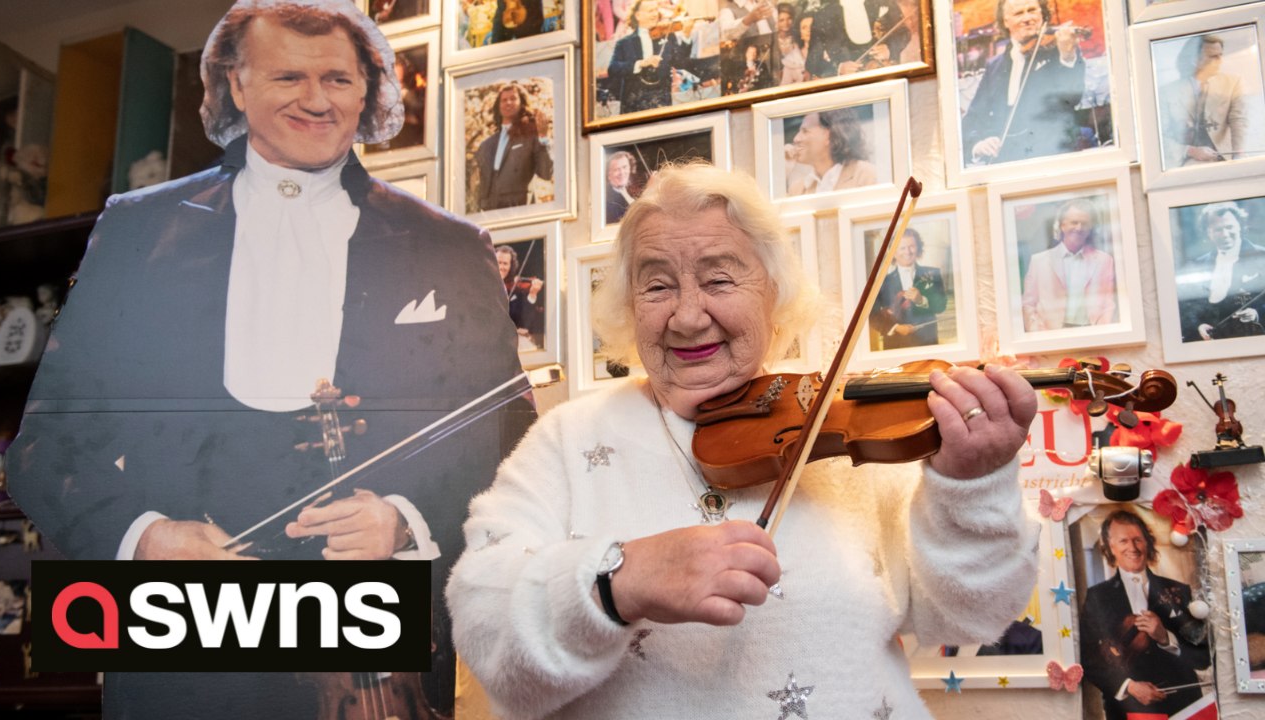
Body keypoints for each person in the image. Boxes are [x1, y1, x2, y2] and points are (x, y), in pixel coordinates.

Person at [8, 1, 533, 717]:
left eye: (338, 80)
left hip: (370, 645)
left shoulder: (447, 244)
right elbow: (47, 446)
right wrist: (143, 538)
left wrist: (407, 519)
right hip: (180, 633)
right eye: (288, 76)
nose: (316, 101)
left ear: (369, 88)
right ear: (234, 82)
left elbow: (507, 442)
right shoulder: (138, 230)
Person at [446, 164, 1041, 718]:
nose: (686, 316)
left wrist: (973, 484)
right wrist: (615, 582)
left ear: (774, 294)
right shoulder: (568, 438)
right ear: (629, 305)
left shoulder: (845, 424)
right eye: (657, 287)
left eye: (719, 279)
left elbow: (971, 616)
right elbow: (487, 632)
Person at [1080, 510, 1210, 720]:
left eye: (1137, 539)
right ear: (1110, 547)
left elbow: (1202, 658)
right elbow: (1087, 656)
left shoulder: (1180, 590)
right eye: (1123, 541)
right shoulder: (1097, 596)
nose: (1132, 548)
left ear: (1148, 543)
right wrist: (1129, 686)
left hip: (1185, 706)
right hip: (1128, 710)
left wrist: (1166, 638)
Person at [961, 0, 1086, 166]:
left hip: (1054, 152)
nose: (1027, 18)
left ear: (1042, 14)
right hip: (1007, 158)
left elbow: (1073, 97)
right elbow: (974, 117)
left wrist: (1067, 57)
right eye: (1019, 13)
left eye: (1032, 10)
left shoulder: (1059, 50)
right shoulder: (995, 66)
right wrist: (978, 145)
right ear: (1006, 21)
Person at [1020, 198, 1117, 332]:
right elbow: (1028, 304)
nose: (1079, 228)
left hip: (1093, 333)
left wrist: (1101, 332)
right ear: (1062, 225)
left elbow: (1108, 303)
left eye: (1084, 223)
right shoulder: (1039, 261)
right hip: (1051, 335)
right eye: (1074, 222)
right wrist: (1040, 334)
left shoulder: (1104, 260)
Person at [1178, 201, 1265, 342]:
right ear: (1208, 233)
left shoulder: (1261, 257)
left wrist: (1257, 313)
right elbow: (1187, 310)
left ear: (1240, 226)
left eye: (1229, 227)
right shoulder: (1198, 266)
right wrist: (1198, 326)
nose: (1225, 234)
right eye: (1218, 229)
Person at [1161, 34, 1249, 169]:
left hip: (1225, 159)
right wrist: (1190, 150)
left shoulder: (1233, 82)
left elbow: (1239, 121)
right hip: (1185, 163)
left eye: (1221, 55)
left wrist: (1239, 156)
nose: (1220, 61)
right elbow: (1160, 138)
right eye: (1213, 56)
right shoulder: (1167, 92)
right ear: (1194, 59)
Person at [474, 82, 554, 211]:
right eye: (504, 100)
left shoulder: (531, 136)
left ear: (522, 103)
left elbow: (546, 173)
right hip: (489, 215)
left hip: (519, 211)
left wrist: (543, 137)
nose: (508, 103)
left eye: (513, 98)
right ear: (498, 106)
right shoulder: (486, 145)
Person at [608, 0, 696, 114]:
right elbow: (612, 69)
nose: (655, 14)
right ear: (638, 15)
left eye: (656, 10)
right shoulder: (624, 43)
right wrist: (640, 63)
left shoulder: (668, 36)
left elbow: (682, 64)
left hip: (661, 103)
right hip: (633, 106)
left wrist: (686, 36)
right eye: (650, 11)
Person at [870, 228, 948, 350]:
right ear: (894, 252)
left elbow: (941, 306)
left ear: (918, 248)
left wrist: (921, 300)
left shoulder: (933, 274)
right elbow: (872, 315)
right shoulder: (881, 281)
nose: (908, 252)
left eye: (912, 246)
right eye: (902, 248)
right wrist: (895, 327)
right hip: (895, 346)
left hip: (927, 343)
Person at [786, 108, 878, 195]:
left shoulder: (866, 176)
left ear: (829, 135)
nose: (796, 139)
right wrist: (785, 172)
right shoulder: (797, 190)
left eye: (805, 131)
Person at [720, 0, 780, 94]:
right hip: (750, 69)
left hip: (773, 62)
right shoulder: (728, 11)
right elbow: (727, 34)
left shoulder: (765, 4)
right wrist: (749, 19)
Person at [496, 244, 545, 349]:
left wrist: (532, 294)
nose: (501, 267)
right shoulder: (481, 287)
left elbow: (524, 320)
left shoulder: (515, 292)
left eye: (505, 263)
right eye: (498, 262)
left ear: (510, 266)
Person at [604, 150, 638, 224]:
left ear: (630, 168)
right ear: (609, 175)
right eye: (616, 169)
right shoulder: (606, 201)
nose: (622, 173)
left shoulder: (632, 189)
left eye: (625, 167)